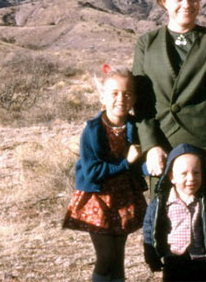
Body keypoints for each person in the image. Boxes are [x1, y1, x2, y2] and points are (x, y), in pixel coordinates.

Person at [132, 0, 206, 270]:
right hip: (163, 157)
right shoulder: (146, 44)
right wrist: (150, 146)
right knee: (168, 237)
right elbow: (142, 102)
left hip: (205, 155)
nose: (186, 5)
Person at [62, 65, 148, 282]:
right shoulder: (93, 130)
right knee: (106, 256)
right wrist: (126, 164)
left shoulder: (135, 127)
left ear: (134, 98)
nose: (121, 99)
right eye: (115, 93)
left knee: (118, 257)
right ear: (103, 96)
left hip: (123, 198)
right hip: (97, 199)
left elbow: (140, 164)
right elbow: (92, 172)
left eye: (127, 94)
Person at [143, 143, 206, 282]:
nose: (191, 178)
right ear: (172, 177)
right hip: (173, 260)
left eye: (196, 172)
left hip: (202, 260)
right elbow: (149, 229)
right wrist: (152, 257)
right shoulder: (161, 203)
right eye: (184, 173)